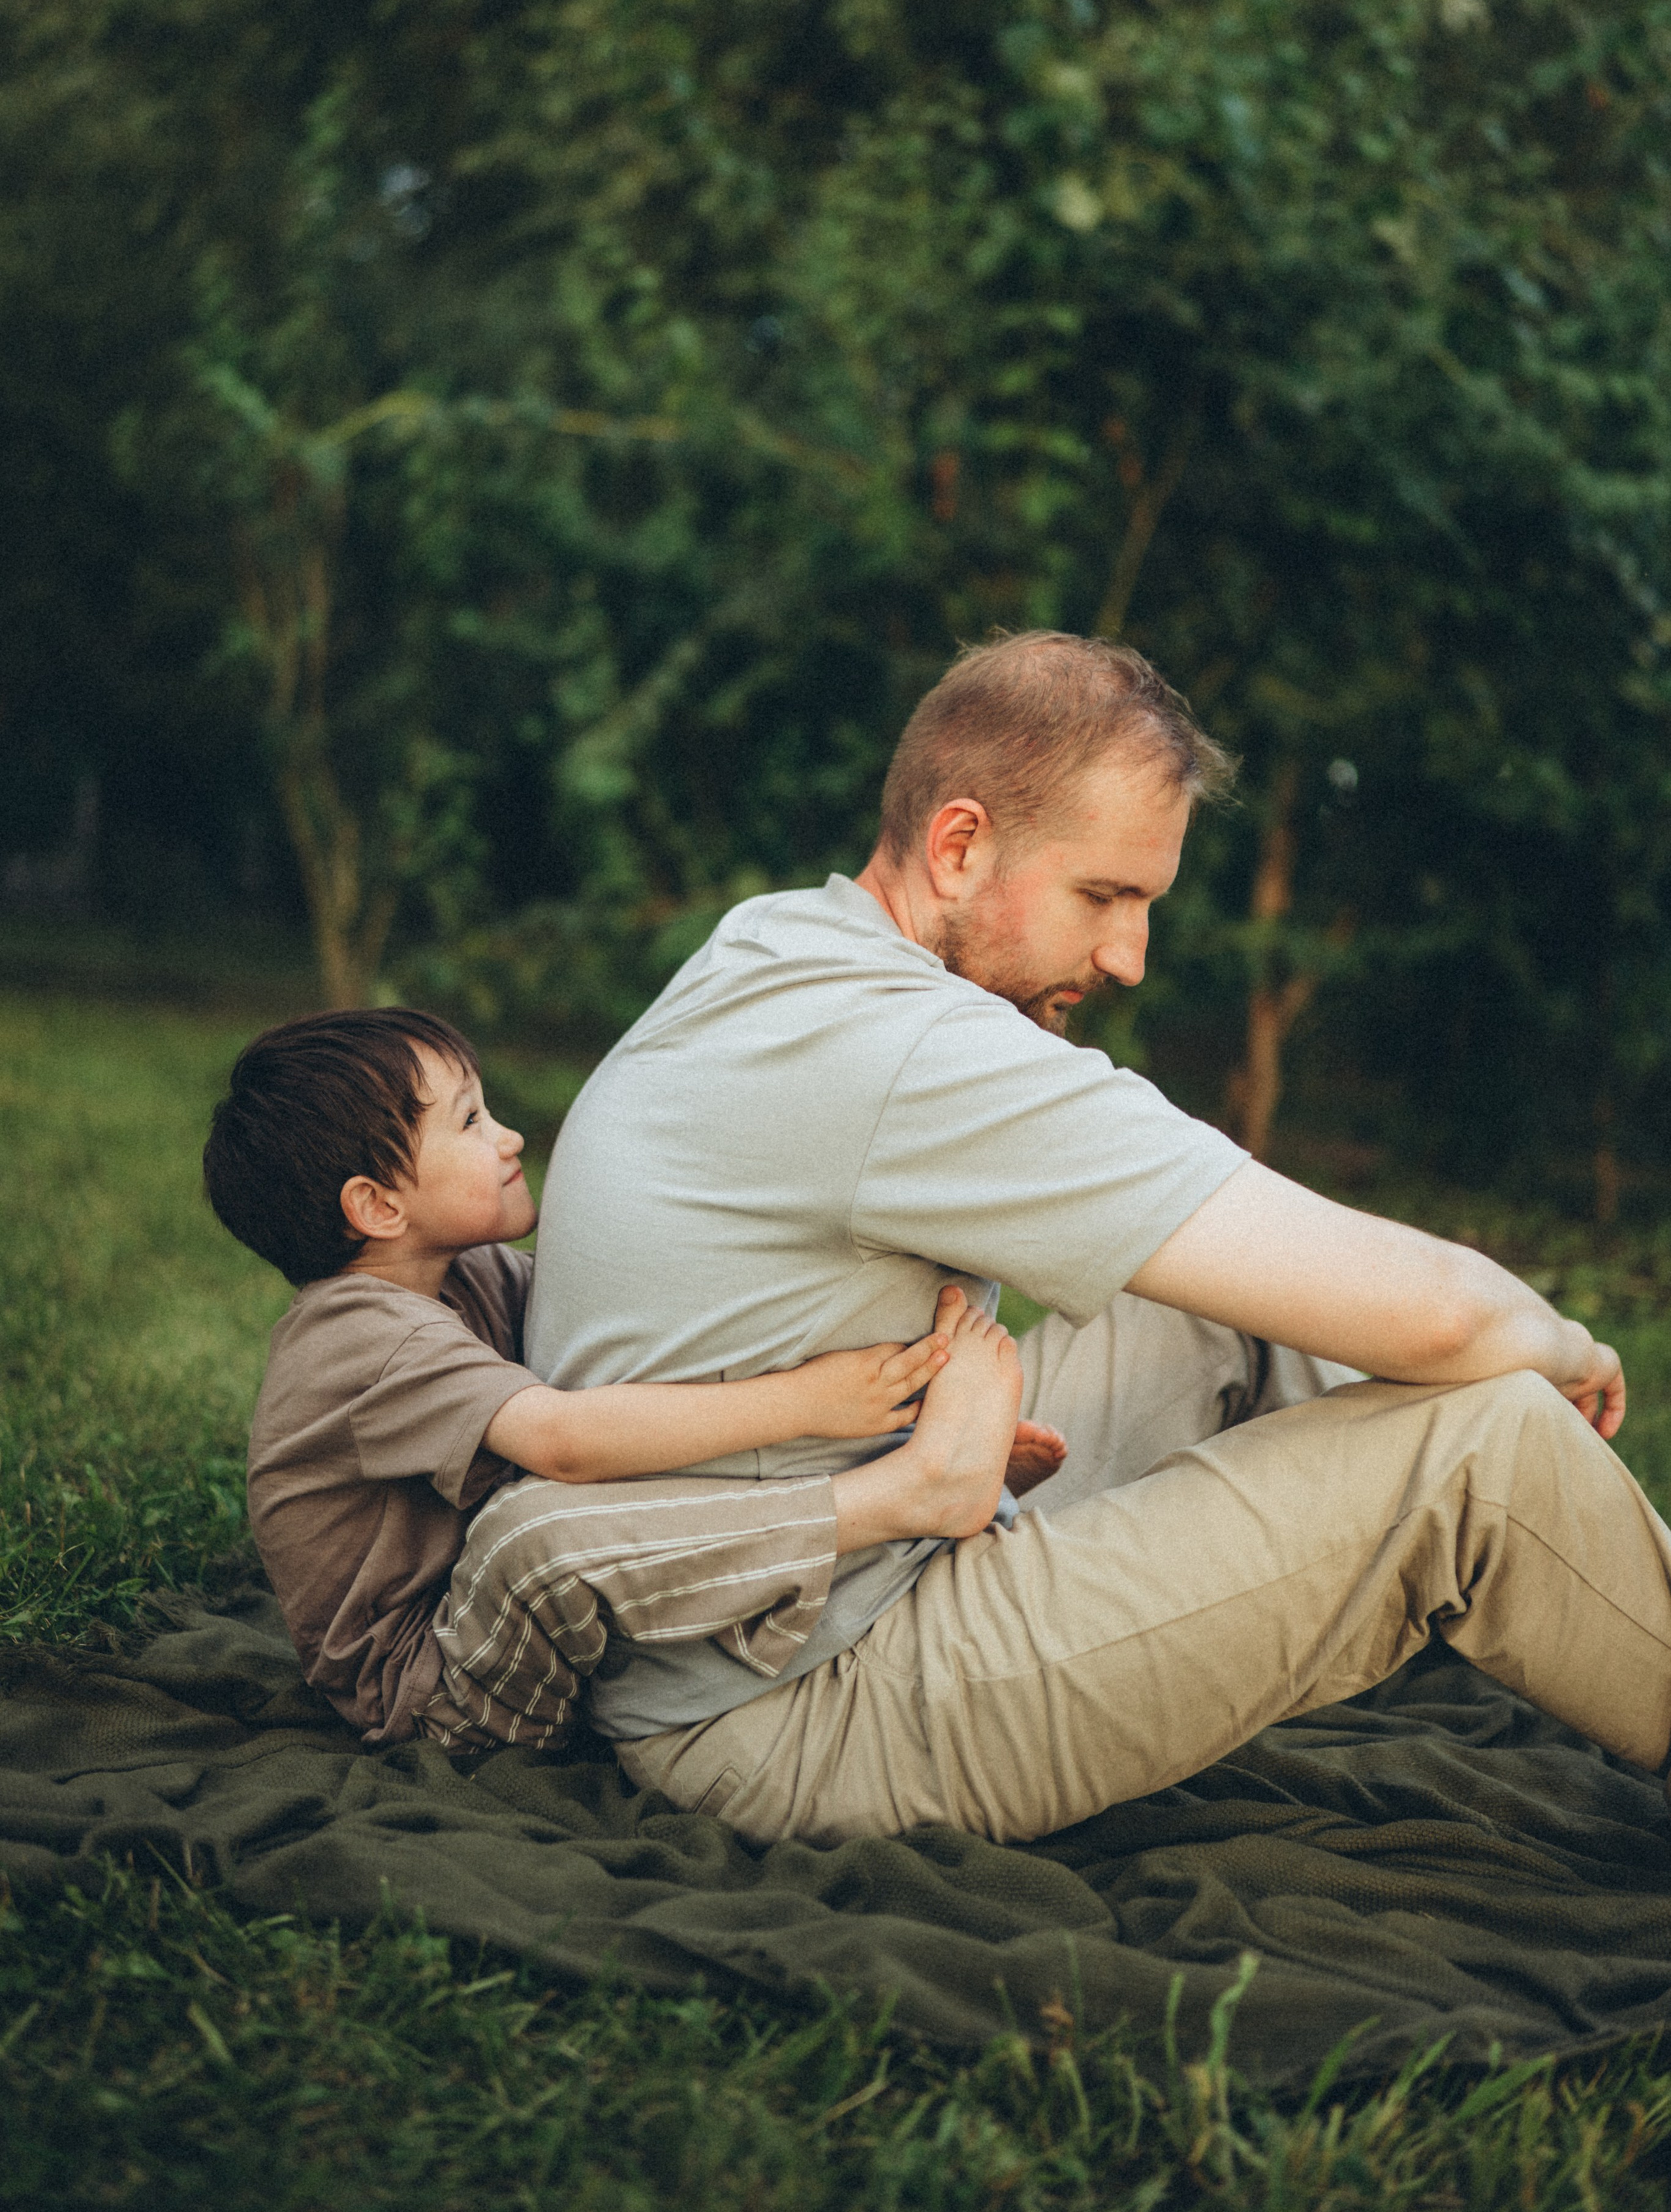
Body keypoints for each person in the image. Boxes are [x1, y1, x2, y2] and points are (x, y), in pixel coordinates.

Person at [461, 627, 1671, 1848]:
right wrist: (1563, 1344)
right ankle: (1502, 1555)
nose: (1130, 958)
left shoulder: (783, 945)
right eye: (1105, 897)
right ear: (960, 845)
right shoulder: (912, 1053)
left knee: (1222, 1296)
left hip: (829, 1567)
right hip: (797, 1702)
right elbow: (1447, 1320)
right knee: (1487, 1447)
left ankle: (1496, 1591)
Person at [204, 1006, 1050, 1750]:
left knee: (601, 1454)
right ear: (378, 1206)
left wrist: (873, 1414)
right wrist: (811, 1400)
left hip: (522, 1630)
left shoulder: (472, 1277)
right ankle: (909, 1495)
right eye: (469, 1122)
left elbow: (645, 1362)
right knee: (535, 1532)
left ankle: (900, 1459)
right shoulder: (353, 1334)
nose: (510, 1138)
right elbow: (565, 1443)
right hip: (438, 1694)